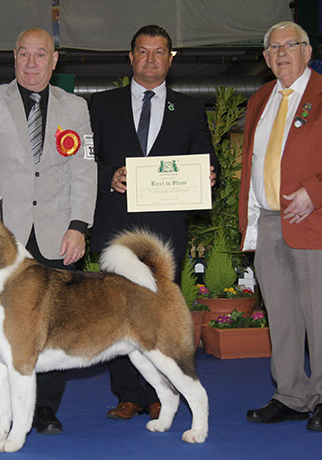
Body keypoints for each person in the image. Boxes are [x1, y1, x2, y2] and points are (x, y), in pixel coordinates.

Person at [0, 28, 97, 437]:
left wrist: (78, 226)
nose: (31, 63)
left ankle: (44, 410)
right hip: (1, 236)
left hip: (55, 230)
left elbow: (85, 169)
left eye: (40, 55)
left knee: (52, 325)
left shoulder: (77, 108)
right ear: (14, 58)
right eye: (24, 55)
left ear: (55, 61)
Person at [90, 24, 219, 421]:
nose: (151, 59)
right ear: (130, 58)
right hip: (116, 222)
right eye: (143, 52)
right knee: (116, 308)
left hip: (166, 231)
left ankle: (160, 392)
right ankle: (128, 394)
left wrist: (209, 174)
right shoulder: (99, 105)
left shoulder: (192, 109)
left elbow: (206, 159)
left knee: (159, 310)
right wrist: (107, 175)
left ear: (170, 59)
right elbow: (81, 160)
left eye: (159, 52)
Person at [239, 21, 322, 431]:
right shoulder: (259, 99)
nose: (282, 52)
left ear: (308, 52)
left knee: (319, 315)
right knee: (283, 317)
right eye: (274, 47)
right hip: (269, 223)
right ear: (267, 58)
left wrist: (315, 192)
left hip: (314, 220)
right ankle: (291, 394)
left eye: (292, 44)